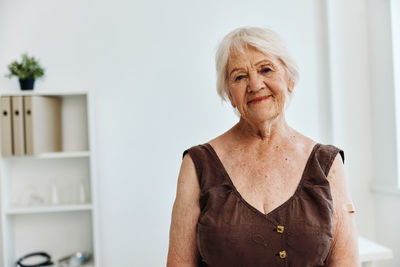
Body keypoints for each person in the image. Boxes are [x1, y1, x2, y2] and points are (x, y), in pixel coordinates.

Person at [167, 27, 359, 267]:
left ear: (290, 79)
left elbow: (346, 263)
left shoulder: (327, 163)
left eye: (266, 69)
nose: (255, 85)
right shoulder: (197, 164)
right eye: (239, 77)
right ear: (228, 93)